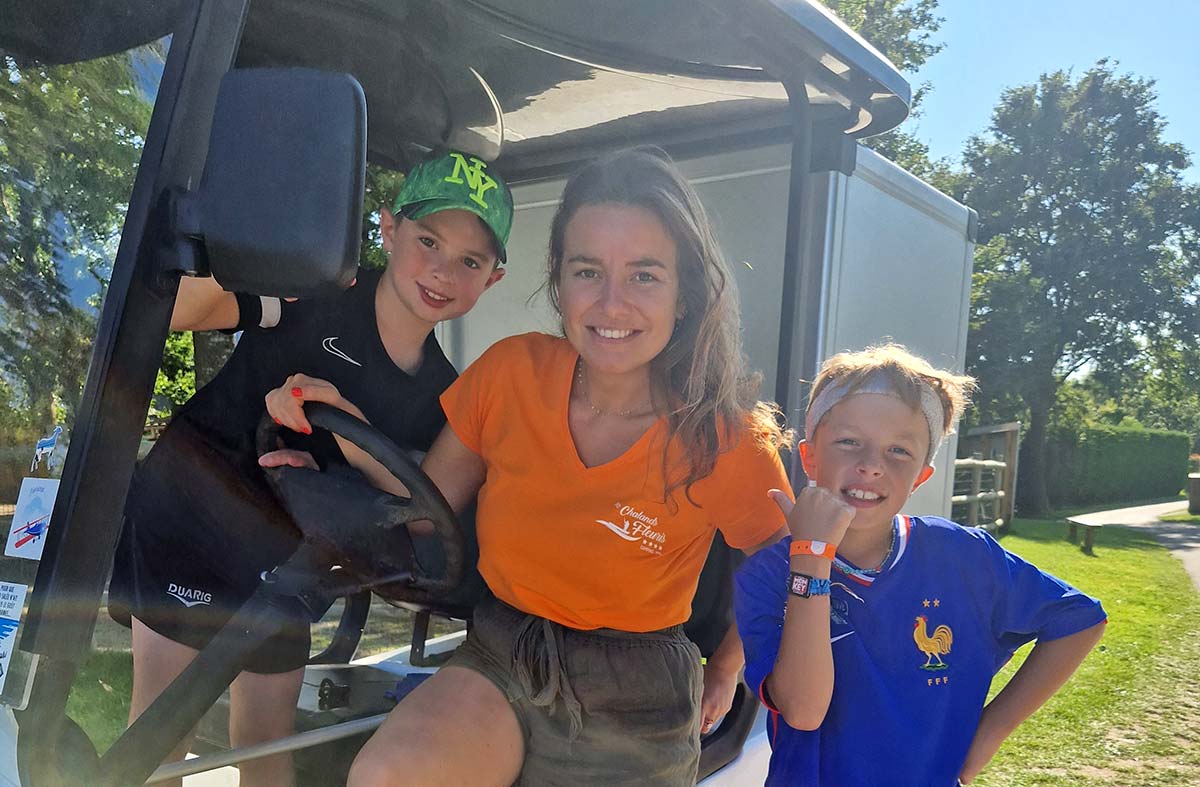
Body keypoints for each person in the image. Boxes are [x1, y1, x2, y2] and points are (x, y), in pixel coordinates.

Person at [264, 148, 793, 786]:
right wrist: (340, 434)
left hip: (637, 690)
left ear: (685, 296)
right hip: (503, 650)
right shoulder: (511, 372)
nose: (612, 304)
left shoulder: (725, 439)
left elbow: (784, 573)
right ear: (559, 279)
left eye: (645, 276)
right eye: (588, 271)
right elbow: (428, 509)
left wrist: (729, 666)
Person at [108, 150, 513, 787]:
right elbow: (184, 310)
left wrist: (347, 427)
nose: (442, 271)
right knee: (164, 731)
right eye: (428, 240)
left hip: (289, 558)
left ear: (491, 280)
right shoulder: (320, 287)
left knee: (266, 741)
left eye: (470, 260)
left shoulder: (447, 394)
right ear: (387, 226)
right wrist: (262, 263)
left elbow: (415, 498)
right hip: (190, 516)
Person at [734, 344, 1107, 786]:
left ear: (921, 477)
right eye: (849, 442)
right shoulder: (767, 576)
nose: (871, 465)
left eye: (899, 451)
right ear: (810, 456)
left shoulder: (963, 556)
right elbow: (804, 710)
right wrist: (812, 558)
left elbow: (1080, 620)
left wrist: (988, 735)